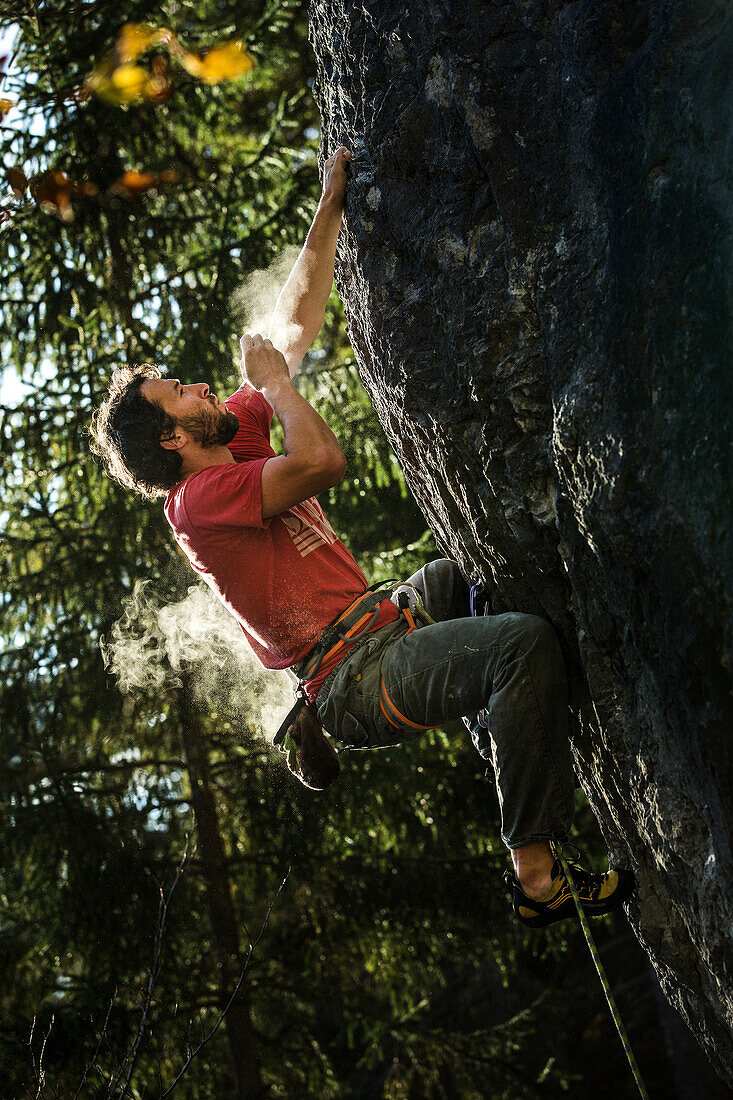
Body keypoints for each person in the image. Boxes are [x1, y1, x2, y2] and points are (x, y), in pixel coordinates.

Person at [89, 145, 633, 928]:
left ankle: (495, 727)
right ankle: (535, 874)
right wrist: (276, 385)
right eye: (181, 391)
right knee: (522, 645)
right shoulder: (199, 502)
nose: (201, 384)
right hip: (352, 682)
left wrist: (330, 203)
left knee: (466, 571)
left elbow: (291, 327)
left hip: (383, 620)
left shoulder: (228, 443)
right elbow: (323, 461)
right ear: (173, 438)